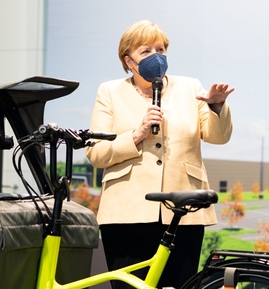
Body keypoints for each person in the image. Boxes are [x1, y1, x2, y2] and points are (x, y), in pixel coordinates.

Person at [85, 20, 234, 288]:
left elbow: (219, 137)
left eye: (161, 49)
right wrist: (136, 135)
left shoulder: (191, 88)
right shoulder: (109, 91)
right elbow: (96, 153)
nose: (157, 56)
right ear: (128, 60)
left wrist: (217, 106)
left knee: (181, 285)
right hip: (126, 212)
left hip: (183, 211)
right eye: (146, 51)